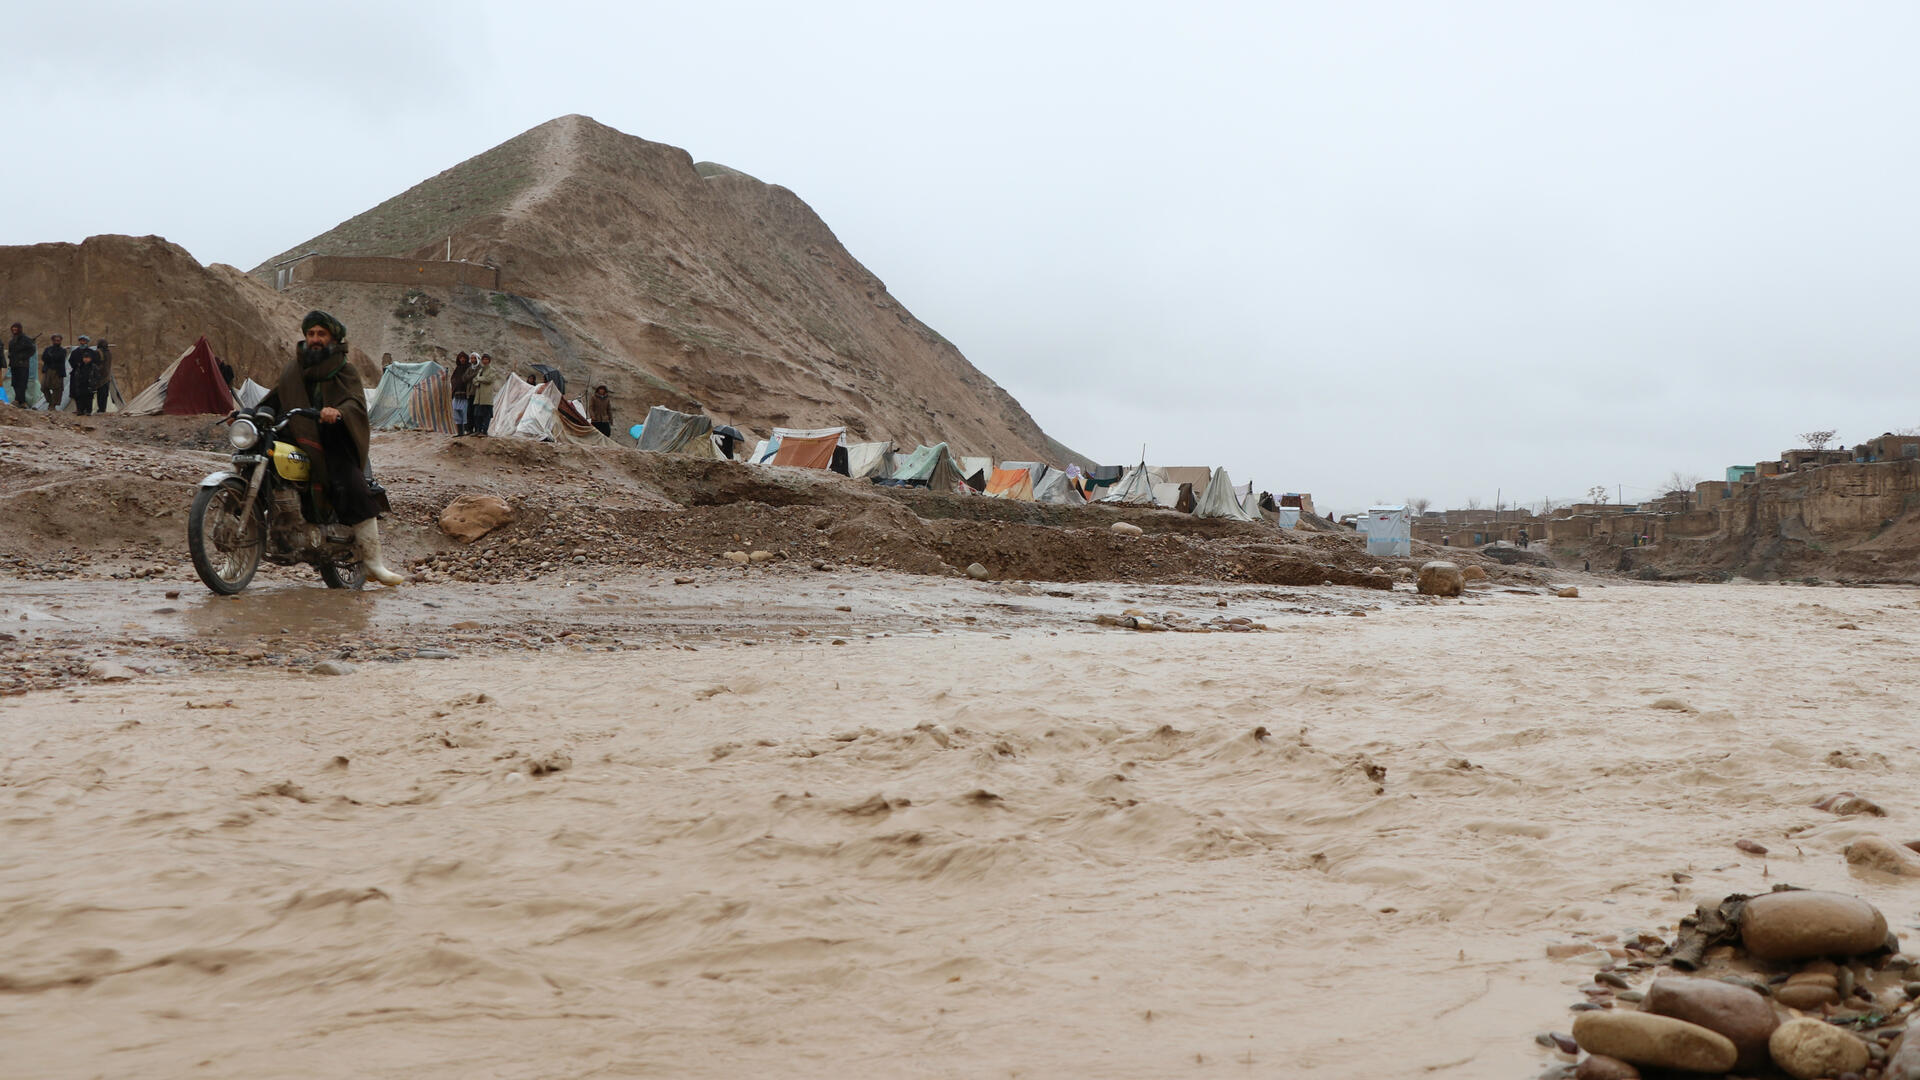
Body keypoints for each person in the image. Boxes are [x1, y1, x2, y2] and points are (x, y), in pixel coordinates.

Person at [254, 310, 404, 586]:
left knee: (349, 480)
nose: (315, 339)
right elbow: (275, 398)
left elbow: (356, 404)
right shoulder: (293, 369)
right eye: (311, 334)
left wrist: (337, 412)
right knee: (264, 458)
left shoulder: (344, 370)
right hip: (296, 433)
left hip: (331, 436)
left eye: (321, 334)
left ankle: (373, 562)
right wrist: (248, 413)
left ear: (333, 338)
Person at [467, 352, 504, 436]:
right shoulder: (480, 370)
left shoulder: (492, 370)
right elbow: (474, 381)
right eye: (483, 359)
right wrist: (478, 380)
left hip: (486, 397)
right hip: (478, 396)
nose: (485, 360)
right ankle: (478, 430)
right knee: (477, 415)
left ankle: (484, 431)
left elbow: (489, 379)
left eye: (486, 359)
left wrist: (479, 379)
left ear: (489, 360)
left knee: (486, 415)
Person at [67, 335, 101, 415]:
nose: (83, 342)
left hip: (89, 375)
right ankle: (79, 409)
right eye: (81, 341)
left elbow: (96, 362)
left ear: (87, 342)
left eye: (84, 341)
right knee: (77, 393)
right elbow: (71, 361)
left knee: (88, 395)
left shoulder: (91, 352)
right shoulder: (75, 352)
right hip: (77, 375)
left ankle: (87, 410)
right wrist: (77, 366)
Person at [6, 323, 33, 406]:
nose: (14, 330)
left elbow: (31, 350)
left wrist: (22, 357)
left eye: (16, 329)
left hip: (23, 365)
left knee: (22, 383)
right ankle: (19, 400)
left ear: (19, 329)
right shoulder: (12, 341)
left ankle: (21, 401)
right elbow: (10, 351)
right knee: (15, 383)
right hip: (14, 364)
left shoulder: (26, 339)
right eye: (13, 329)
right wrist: (10, 356)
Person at [39, 333, 67, 411]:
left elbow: (59, 358)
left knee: (57, 389)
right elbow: (44, 358)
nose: (57, 342)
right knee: (44, 387)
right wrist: (51, 357)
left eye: (58, 340)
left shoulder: (62, 350)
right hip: (48, 370)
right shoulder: (48, 349)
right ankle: (50, 402)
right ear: (53, 341)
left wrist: (51, 357)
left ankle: (53, 405)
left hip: (57, 371)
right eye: (55, 340)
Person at [449, 352, 473, 435]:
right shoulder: (457, 369)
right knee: (456, 413)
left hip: (465, 395)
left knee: (465, 413)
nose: (462, 359)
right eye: (460, 358)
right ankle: (460, 432)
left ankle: (468, 431)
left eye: (464, 358)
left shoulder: (469, 368)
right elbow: (453, 380)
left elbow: (468, 380)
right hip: (456, 394)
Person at [90, 336, 113, 414]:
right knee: (104, 393)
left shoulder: (98, 352)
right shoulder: (109, 352)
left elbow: (95, 364)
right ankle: (102, 409)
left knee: (101, 393)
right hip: (106, 376)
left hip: (100, 375)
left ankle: (101, 409)